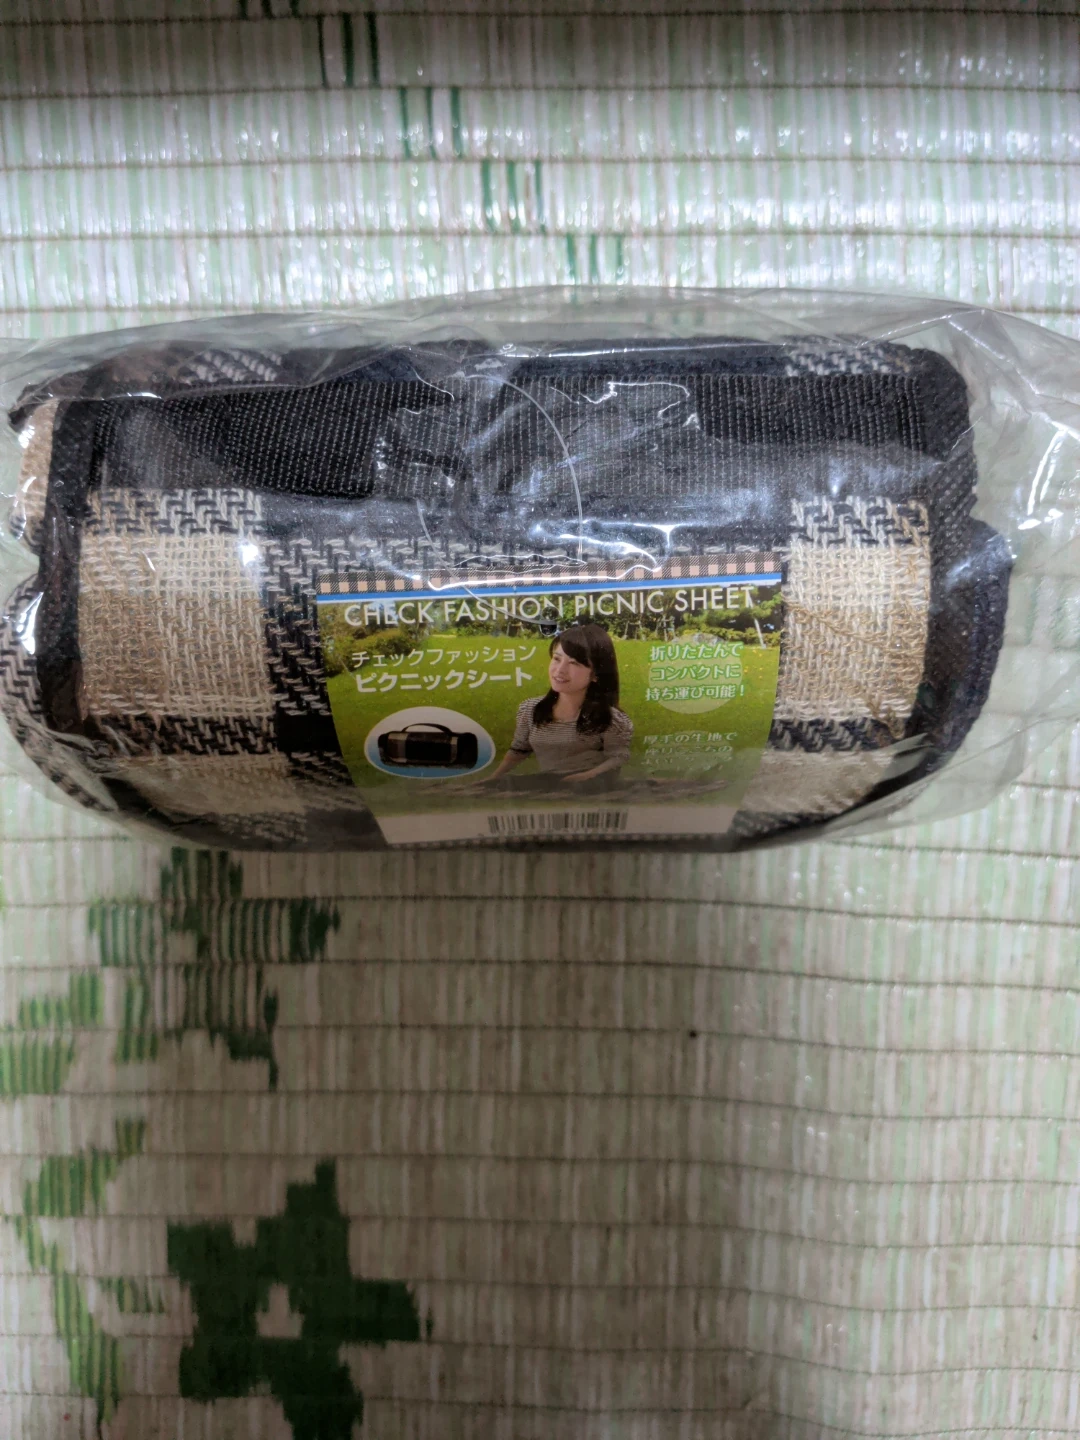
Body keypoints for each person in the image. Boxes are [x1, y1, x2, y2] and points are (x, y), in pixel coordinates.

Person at [487, 623, 633, 789]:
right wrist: (493, 779)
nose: (560, 670)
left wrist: (586, 776)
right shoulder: (530, 709)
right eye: (557, 659)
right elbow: (519, 750)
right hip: (548, 783)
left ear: (596, 674)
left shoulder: (611, 718)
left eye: (574, 663)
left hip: (589, 787)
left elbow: (618, 757)